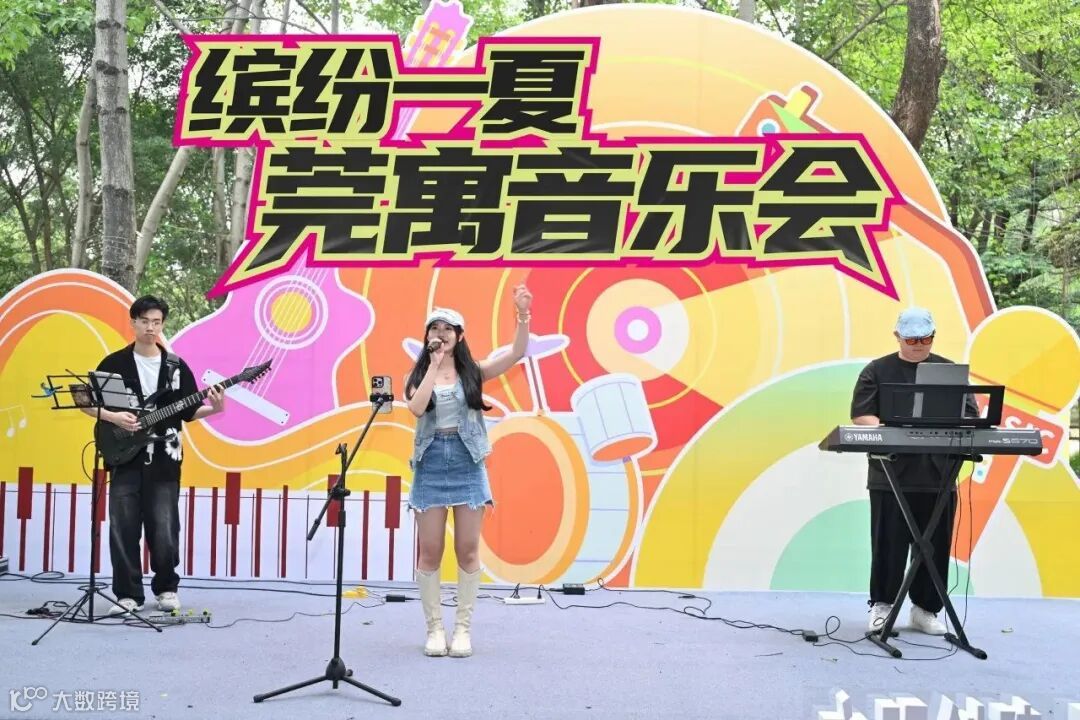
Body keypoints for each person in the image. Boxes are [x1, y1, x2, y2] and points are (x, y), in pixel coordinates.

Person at [404, 284, 533, 657]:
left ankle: (462, 630)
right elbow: (416, 408)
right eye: (435, 327)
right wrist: (432, 365)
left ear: (459, 336)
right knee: (430, 551)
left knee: (467, 549)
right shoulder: (419, 374)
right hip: (430, 463)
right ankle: (434, 630)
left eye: (448, 328)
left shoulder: (473, 372)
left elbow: (516, 353)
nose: (440, 333)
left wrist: (522, 314)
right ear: (427, 336)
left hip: (467, 462)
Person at [82, 295, 226, 616]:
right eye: (145, 321)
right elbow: (87, 403)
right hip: (123, 458)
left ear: (162, 325)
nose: (151, 328)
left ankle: (166, 589)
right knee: (123, 529)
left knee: (164, 528)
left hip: (164, 460)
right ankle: (127, 595)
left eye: (157, 322)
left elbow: (189, 411)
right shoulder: (114, 364)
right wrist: (114, 417)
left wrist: (215, 408)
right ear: (133, 322)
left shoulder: (176, 366)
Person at [849, 306, 971, 636]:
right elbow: (861, 414)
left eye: (925, 339)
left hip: (938, 475)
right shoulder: (877, 370)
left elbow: (971, 414)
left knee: (934, 546)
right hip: (891, 473)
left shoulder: (949, 371)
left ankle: (925, 610)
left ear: (933, 336)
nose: (919, 345)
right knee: (888, 543)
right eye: (911, 339)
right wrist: (890, 431)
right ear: (897, 337)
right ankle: (882, 606)